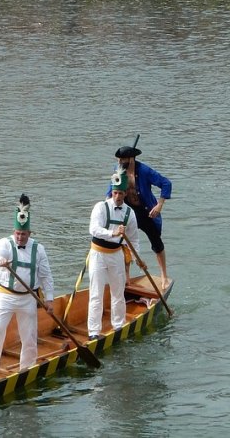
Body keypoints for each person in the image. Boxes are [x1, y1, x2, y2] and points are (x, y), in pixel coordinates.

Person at [0, 195, 54, 385]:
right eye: (17, 233)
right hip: (5, 296)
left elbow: (46, 276)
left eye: (23, 234)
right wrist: (0, 262)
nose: (20, 237)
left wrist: (50, 299)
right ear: (14, 232)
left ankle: (26, 369)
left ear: (29, 233)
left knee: (29, 336)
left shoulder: (39, 249)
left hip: (28, 298)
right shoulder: (4, 244)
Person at [87, 170, 140, 339]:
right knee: (96, 294)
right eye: (115, 193)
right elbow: (94, 229)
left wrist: (136, 257)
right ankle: (94, 332)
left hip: (116, 254)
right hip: (98, 254)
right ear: (111, 192)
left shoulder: (129, 213)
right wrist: (113, 233)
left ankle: (118, 326)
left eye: (121, 193)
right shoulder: (100, 208)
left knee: (118, 293)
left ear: (125, 194)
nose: (117, 196)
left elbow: (133, 239)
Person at [113, 143, 171, 285]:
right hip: (129, 211)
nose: (119, 163)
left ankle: (163, 275)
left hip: (146, 211)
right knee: (124, 242)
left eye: (123, 160)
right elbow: (112, 189)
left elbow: (166, 183)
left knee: (156, 243)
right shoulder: (119, 171)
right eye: (118, 160)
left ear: (131, 159)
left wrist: (159, 204)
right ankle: (126, 277)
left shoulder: (144, 171)